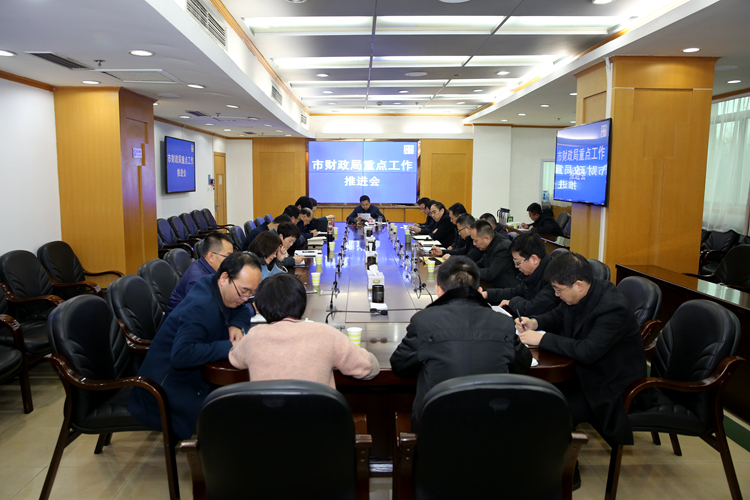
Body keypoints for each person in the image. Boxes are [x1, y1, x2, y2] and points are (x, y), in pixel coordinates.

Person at [515, 251, 647, 447]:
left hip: (609, 385)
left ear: (578, 285)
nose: (556, 294)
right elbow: (558, 316)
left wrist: (542, 339)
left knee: (549, 408)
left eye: (558, 289)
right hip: (584, 373)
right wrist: (535, 322)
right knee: (534, 393)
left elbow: (587, 351)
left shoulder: (612, 308)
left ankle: (565, 463)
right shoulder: (580, 294)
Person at [128, 252, 262, 440]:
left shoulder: (215, 284)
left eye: (251, 293)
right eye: (243, 291)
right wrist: (231, 346)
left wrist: (237, 325)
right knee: (240, 411)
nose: (246, 298)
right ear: (224, 278)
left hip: (195, 373)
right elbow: (182, 355)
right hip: (167, 389)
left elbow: (240, 309)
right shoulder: (201, 306)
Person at [390, 256, 532, 431]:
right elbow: (523, 364)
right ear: (479, 291)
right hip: (494, 428)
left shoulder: (424, 321)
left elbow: (400, 365)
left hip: (437, 429)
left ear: (438, 290)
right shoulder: (503, 322)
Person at [229, 273, 380, 387]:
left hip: (269, 419)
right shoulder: (326, 333)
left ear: (261, 307)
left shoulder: (254, 337)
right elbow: (370, 368)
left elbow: (234, 358)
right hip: (319, 419)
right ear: (302, 302)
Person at [480, 232, 559, 316]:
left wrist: (511, 302)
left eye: (518, 263)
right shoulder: (533, 271)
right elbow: (516, 291)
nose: (516, 266)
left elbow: (532, 308)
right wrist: (487, 294)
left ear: (534, 259)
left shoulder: (554, 278)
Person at [165, 232, 234, 315]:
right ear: (211, 257)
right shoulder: (198, 281)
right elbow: (207, 315)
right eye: (228, 257)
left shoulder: (204, 265)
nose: (231, 261)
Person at [470, 219, 517, 288]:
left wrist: (469, 270)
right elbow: (482, 262)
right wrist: (467, 267)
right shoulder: (491, 243)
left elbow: (490, 274)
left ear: (487, 238)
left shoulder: (503, 247)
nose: (474, 244)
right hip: (494, 285)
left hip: (506, 289)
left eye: (475, 241)